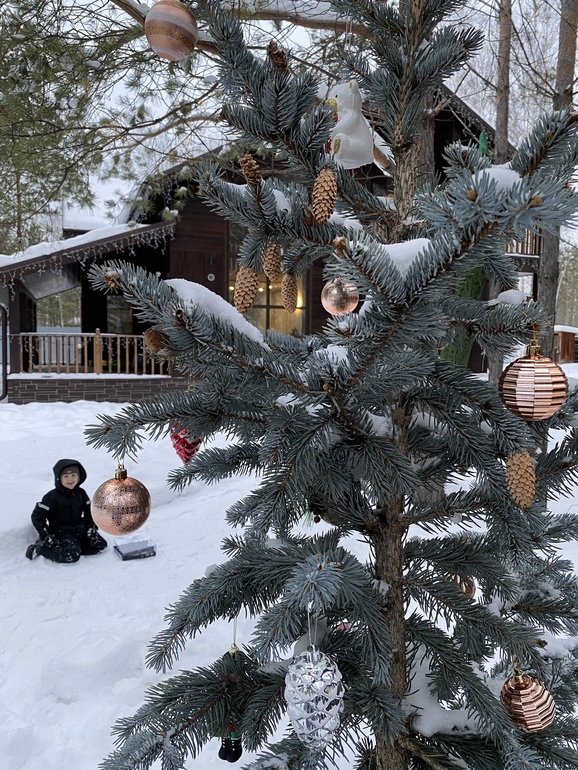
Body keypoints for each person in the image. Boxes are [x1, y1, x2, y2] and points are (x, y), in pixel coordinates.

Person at [25, 458, 107, 563]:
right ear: (59, 478)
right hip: (61, 532)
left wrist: (92, 527)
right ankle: (41, 549)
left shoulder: (81, 493)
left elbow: (90, 511)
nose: (70, 479)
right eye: (66, 476)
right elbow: (37, 516)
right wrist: (45, 534)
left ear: (79, 477)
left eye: (73, 475)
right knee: (71, 555)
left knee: (100, 545)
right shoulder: (52, 497)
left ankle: (75, 546)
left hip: (79, 528)